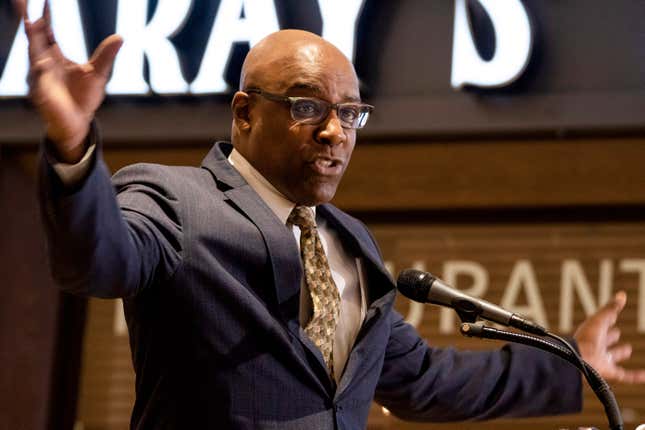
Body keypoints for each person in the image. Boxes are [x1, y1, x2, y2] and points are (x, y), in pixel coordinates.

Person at [16, 0, 645, 428]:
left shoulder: (350, 243)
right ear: (244, 113)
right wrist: (73, 145)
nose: (334, 133)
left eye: (350, 114)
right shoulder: (175, 200)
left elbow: (424, 380)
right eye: (306, 108)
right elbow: (96, 262)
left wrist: (571, 367)